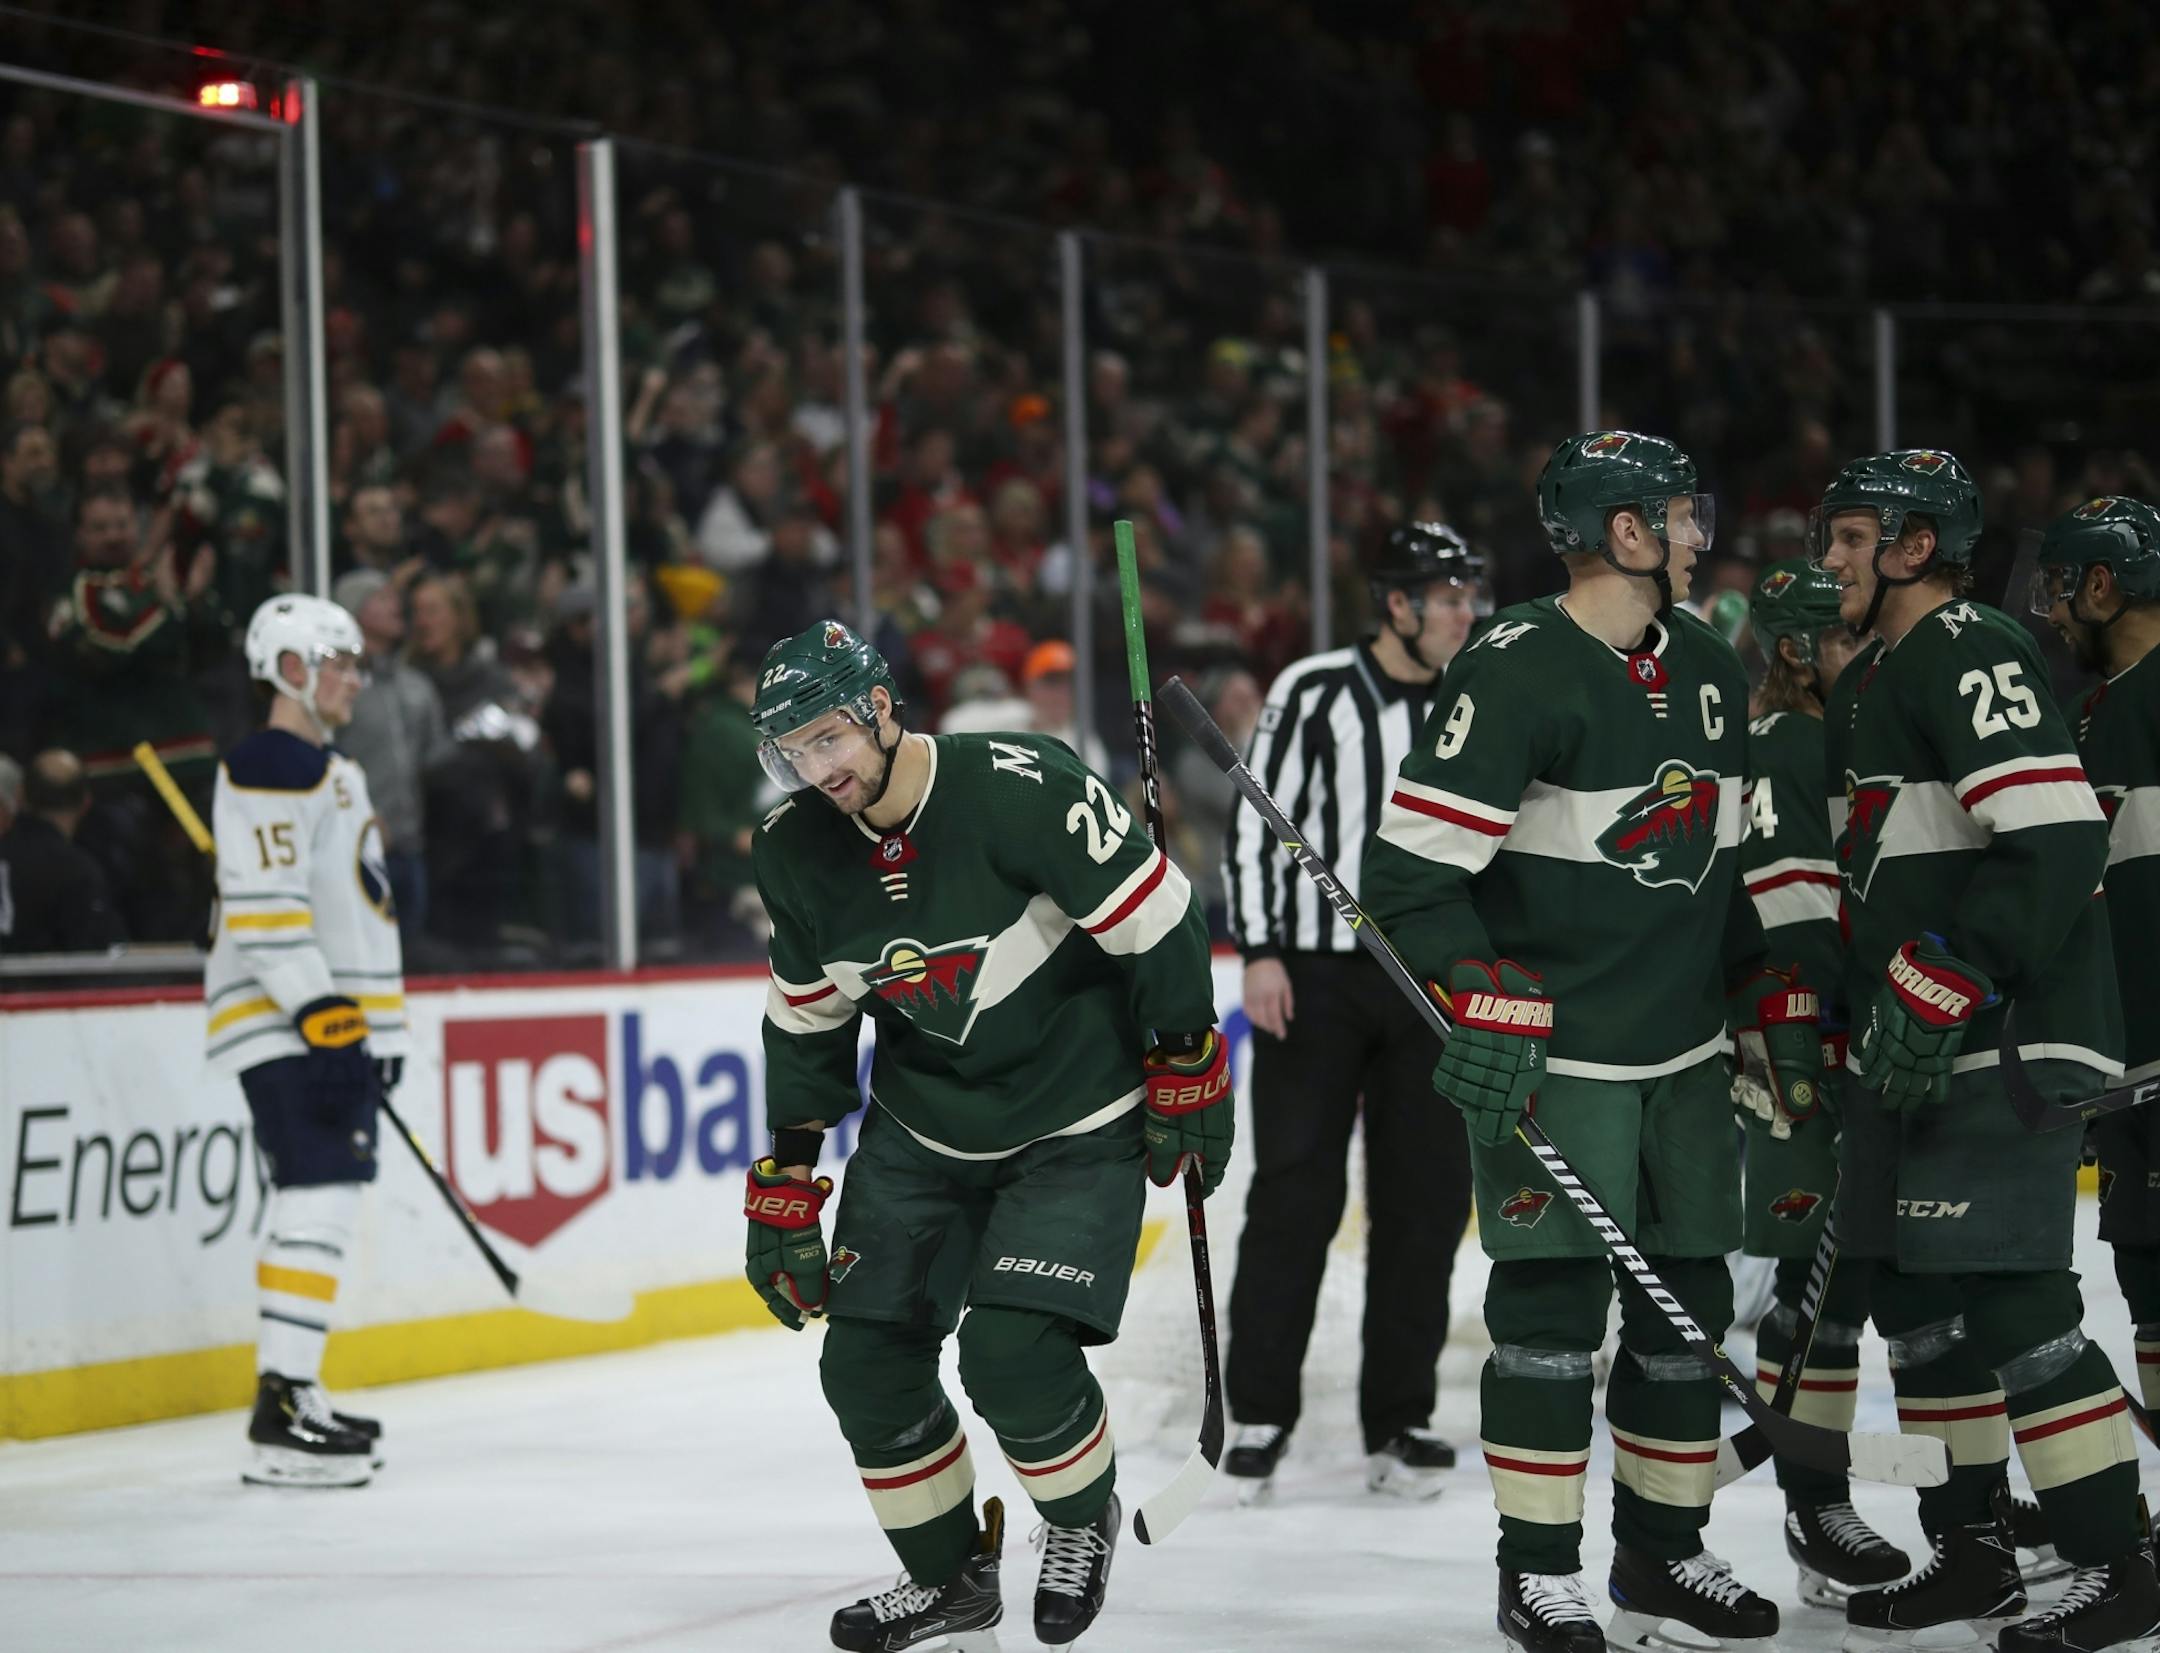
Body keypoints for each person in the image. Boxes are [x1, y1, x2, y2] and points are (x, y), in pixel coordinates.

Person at [1361, 433, 1816, 1653]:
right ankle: (1538, 1574)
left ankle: (1664, 1559)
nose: (1692, 532)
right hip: (1558, 1063)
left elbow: (1717, 875)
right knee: (1551, 1315)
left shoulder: (1714, 664)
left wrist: (1758, 991)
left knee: (1689, 1310)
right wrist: (1482, 991)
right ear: (1625, 534)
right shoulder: (1513, 666)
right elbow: (1407, 881)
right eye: (1676, 514)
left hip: (1682, 1061)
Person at [742, 620, 1230, 1650]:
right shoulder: (792, 849)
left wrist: (1186, 1057)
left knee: (1012, 1355)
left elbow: (1161, 920)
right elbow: (808, 1020)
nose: (814, 769)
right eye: (792, 752)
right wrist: (786, 1176)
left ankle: (1076, 1513)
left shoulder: (1022, 783)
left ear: (880, 706)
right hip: (924, 1132)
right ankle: (952, 1580)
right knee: (864, 1369)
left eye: (828, 737)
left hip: (1076, 1115)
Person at [1816, 453, 2156, 1653]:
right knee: (1917, 1303)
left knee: (2016, 1298)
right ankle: (1972, 1554)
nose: (1833, 562)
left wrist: (1946, 975)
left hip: (1999, 1032)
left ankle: (2121, 1560)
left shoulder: (1966, 644)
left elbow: (2057, 839)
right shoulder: (1882, 674)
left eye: (1853, 540)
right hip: (1928, 1037)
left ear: (1915, 548)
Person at [1218, 521, 1488, 1501]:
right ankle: (1259, 1412)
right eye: (1448, 596)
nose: (1466, 613)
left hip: (1433, 986)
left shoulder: (1480, 696)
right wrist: (1258, 949)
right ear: (1398, 604)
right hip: (1316, 981)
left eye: (1469, 596)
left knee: (1423, 1204)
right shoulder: (1315, 688)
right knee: (1295, 1195)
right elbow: (1260, 819)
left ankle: (1399, 1417)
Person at [1732, 560, 1907, 1603]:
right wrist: (1821, 1031)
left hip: (1805, 1041)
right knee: (1818, 1291)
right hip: (1811, 1050)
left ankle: (1829, 1503)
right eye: (1843, 638)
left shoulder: (1811, 735)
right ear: (1798, 650)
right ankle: (1814, 1510)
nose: (1866, 652)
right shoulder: (1798, 741)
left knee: (1834, 1287)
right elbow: (1797, 912)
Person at [205, 594, 408, 1489]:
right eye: (340, 662)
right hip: (287, 1021)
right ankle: (280, 1412)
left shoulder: (324, 766)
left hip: (322, 1021)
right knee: (315, 1195)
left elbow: (356, 917)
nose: (354, 678)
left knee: (324, 1197)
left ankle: (295, 1392)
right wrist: (324, 1018)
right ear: (292, 668)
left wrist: (379, 1029)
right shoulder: (272, 759)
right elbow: (266, 910)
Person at [2031, 496, 2160, 1429]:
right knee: (2149, 1280)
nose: (2054, 611)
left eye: (2062, 590)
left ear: (2103, 585)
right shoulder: (2087, 715)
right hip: (2131, 1075)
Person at [333, 569, 450, 943]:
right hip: (354, 852)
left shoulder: (416, 684)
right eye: (381, 597)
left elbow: (437, 758)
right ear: (354, 612)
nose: (395, 605)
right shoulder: (336, 690)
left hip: (412, 847)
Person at [0, 749, 124, 954]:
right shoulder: (79, 872)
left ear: (20, 795)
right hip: (48, 984)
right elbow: (94, 956)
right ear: (85, 802)